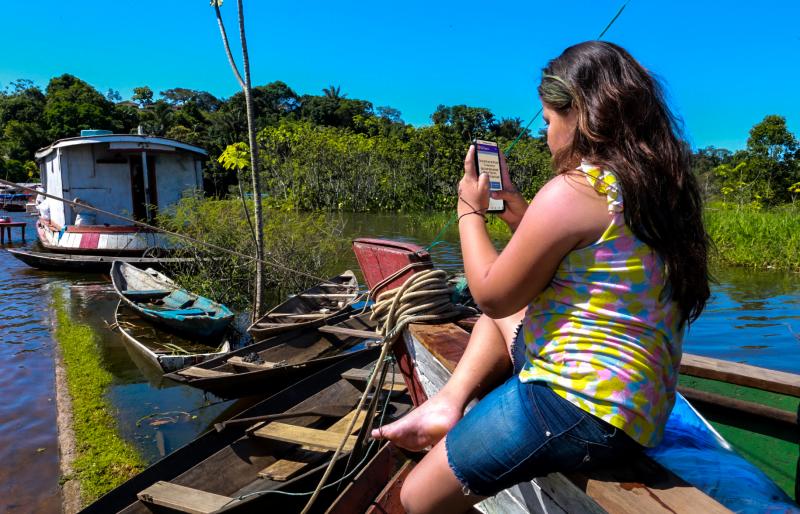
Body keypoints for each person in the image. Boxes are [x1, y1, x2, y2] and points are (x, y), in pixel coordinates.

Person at [371, 41, 710, 513]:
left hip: (579, 410)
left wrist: (469, 211)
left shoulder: (573, 189)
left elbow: (490, 295)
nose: (545, 134)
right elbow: (592, 264)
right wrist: (521, 218)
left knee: (417, 497)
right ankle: (448, 404)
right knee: (515, 304)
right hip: (638, 413)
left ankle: (449, 412)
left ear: (582, 115)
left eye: (548, 121)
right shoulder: (656, 191)